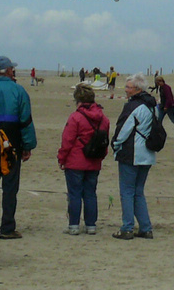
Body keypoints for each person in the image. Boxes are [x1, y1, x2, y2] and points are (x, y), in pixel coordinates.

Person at [0, 55, 36, 239]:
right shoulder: (19, 91)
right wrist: (27, 145)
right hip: (12, 144)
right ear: (8, 71)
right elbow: (25, 121)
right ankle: (7, 227)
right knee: (10, 187)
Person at [110, 75, 159, 238]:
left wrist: (115, 145)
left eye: (128, 87)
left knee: (127, 191)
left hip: (132, 154)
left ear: (137, 90)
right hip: (147, 154)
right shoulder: (152, 106)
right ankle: (145, 227)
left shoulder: (133, 106)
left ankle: (127, 227)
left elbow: (122, 131)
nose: (126, 90)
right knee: (138, 191)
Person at [58, 82, 110, 236]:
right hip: (94, 161)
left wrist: (62, 158)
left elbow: (67, 140)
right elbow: (104, 140)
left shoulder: (75, 117)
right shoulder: (104, 119)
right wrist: (102, 156)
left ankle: (74, 225)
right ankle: (91, 225)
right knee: (90, 194)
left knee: (74, 194)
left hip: (75, 161)